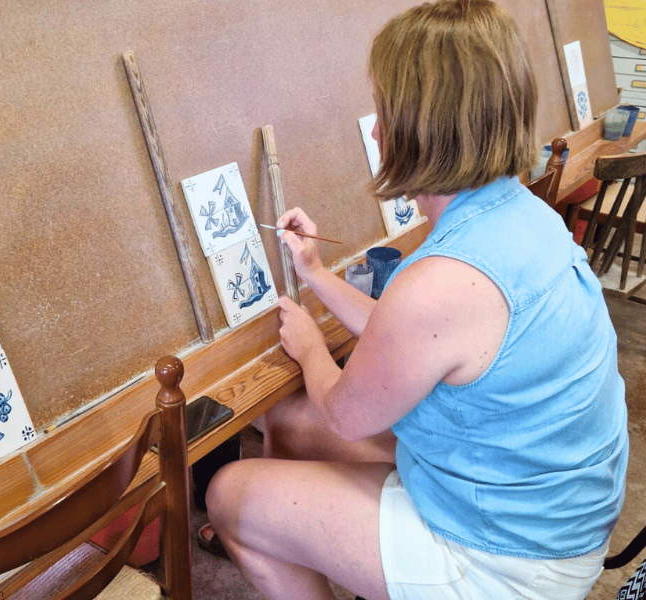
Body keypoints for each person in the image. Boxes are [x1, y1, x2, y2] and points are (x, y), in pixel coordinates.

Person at [204, 1, 630, 599]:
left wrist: (307, 348)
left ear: (424, 129)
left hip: (512, 561)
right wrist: (318, 275)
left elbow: (345, 414)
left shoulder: (439, 281)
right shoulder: (522, 213)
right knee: (288, 428)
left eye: (384, 114)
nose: (375, 131)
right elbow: (417, 338)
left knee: (228, 493)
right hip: (548, 505)